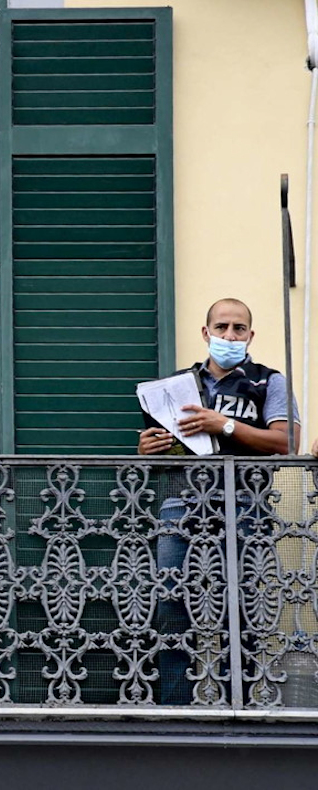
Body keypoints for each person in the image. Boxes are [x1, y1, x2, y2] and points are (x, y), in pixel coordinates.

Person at [137, 298, 300, 705]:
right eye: (222, 327)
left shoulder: (268, 381)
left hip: (244, 504)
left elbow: (287, 442)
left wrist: (223, 423)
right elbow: (167, 457)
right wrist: (146, 451)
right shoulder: (174, 386)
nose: (230, 335)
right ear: (206, 333)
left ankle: (237, 705)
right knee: (171, 607)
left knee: (240, 608)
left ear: (251, 336)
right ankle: (173, 708)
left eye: (239, 329)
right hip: (180, 504)